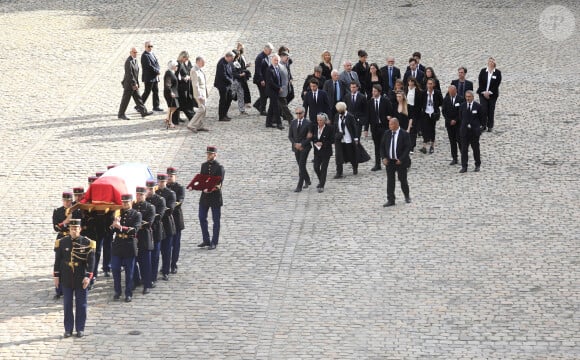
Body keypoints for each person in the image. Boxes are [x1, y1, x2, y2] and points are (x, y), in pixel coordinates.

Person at [53, 219, 95, 338]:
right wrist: (56, 276)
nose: (74, 231)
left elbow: (91, 263)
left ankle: (80, 328)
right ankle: (68, 329)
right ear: (69, 229)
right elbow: (58, 261)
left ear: (80, 229)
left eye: (76, 228)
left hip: (81, 277)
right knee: (67, 304)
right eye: (72, 228)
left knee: (81, 304)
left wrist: (88, 277)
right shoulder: (62, 242)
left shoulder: (87, 243)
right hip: (66, 277)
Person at [111, 194, 142, 302]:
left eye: (127, 202)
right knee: (115, 268)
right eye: (123, 202)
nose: (124, 204)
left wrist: (120, 227)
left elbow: (135, 230)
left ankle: (128, 293)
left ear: (131, 202)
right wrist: (113, 224)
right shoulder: (118, 213)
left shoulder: (136, 214)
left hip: (129, 244)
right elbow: (111, 230)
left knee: (129, 271)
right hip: (118, 244)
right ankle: (117, 291)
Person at [194, 146, 225, 250]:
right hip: (205, 197)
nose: (208, 155)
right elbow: (201, 179)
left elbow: (219, 184)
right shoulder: (203, 166)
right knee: (202, 217)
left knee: (216, 220)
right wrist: (196, 186)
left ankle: (214, 242)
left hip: (215, 196)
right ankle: (206, 239)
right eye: (207, 154)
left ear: (215, 155)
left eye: (210, 154)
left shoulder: (220, 167)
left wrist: (211, 188)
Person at [380, 118, 411, 207]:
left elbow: (407, 148)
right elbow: (382, 147)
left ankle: (407, 196)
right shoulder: (387, 133)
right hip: (390, 161)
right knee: (390, 181)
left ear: (397, 124)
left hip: (400, 161)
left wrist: (401, 159)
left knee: (402, 179)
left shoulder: (404, 134)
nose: (390, 126)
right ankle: (391, 199)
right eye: (389, 124)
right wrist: (384, 158)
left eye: (391, 125)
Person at [118, 47, 152, 120]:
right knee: (125, 99)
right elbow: (129, 74)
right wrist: (134, 84)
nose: (135, 54)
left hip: (134, 84)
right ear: (130, 52)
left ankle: (143, 112)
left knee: (138, 98)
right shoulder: (128, 62)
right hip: (129, 84)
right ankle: (121, 114)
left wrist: (137, 83)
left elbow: (136, 74)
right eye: (134, 52)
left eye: (136, 53)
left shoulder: (135, 61)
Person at [132, 186, 155, 295]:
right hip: (134, 238)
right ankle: (136, 281)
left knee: (145, 263)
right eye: (137, 194)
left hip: (145, 238)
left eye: (141, 194)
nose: (139, 196)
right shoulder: (133, 206)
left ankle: (147, 284)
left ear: (145, 195)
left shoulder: (150, 207)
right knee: (133, 262)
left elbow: (149, 223)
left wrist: (135, 225)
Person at [365, 84, 393, 171]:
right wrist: (366, 129)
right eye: (372, 91)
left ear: (379, 92)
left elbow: (391, 112)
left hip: (384, 127)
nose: (373, 93)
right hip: (375, 127)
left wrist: (390, 118)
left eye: (375, 91)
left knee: (386, 145)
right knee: (377, 146)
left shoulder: (385, 101)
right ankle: (378, 164)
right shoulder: (370, 102)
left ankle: (388, 162)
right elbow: (368, 116)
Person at [52, 191, 73, 299]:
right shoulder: (58, 211)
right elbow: (56, 227)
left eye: (68, 200)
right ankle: (58, 289)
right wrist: (65, 222)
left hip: (72, 238)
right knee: (59, 263)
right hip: (61, 238)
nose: (67, 202)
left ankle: (69, 287)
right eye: (65, 200)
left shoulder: (76, 210)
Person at [156, 173, 176, 281]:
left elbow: (171, 209)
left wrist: (158, 212)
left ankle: (166, 270)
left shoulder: (170, 193)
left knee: (166, 250)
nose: (161, 184)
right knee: (157, 250)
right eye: (159, 182)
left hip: (167, 223)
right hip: (157, 225)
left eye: (162, 182)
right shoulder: (155, 193)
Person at [145, 179, 166, 285]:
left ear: (155, 188)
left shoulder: (160, 200)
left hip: (156, 230)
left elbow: (159, 216)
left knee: (155, 256)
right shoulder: (143, 200)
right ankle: (145, 276)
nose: (149, 191)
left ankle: (153, 277)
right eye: (148, 188)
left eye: (151, 189)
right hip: (145, 233)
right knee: (145, 257)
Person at [288, 106, 312, 192]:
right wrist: (295, 144)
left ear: (303, 113)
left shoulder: (308, 123)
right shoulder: (293, 122)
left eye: (300, 113)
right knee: (300, 165)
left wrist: (302, 144)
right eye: (297, 113)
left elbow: (309, 137)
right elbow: (290, 136)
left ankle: (299, 185)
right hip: (296, 147)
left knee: (301, 165)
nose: (298, 115)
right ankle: (307, 179)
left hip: (305, 147)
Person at [166, 167, 185, 274]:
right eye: (168, 176)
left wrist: (168, 207)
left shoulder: (179, 188)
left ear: (175, 176)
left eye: (171, 176)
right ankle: (166, 264)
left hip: (176, 219)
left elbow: (179, 201)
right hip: (166, 220)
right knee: (166, 245)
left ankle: (173, 264)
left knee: (175, 244)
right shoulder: (163, 188)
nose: (169, 178)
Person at [334, 102, 360, 178]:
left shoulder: (350, 116)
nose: (340, 112)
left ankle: (355, 167)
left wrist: (356, 138)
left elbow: (354, 127)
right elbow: (335, 127)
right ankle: (339, 172)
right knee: (338, 156)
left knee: (351, 154)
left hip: (348, 138)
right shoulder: (336, 116)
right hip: (339, 139)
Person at [459, 91, 482, 173]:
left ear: (472, 97)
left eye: (469, 96)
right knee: (464, 149)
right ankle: (464, 166)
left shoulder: (478, 106)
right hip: (464, 131)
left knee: (475, 149)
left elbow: (482, 118)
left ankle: (477, 165)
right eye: (466, 96)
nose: (468, 98)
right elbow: (460, 117)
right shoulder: (462, 106)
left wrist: (479, 128)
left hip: (474, 132)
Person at [477, 56, 502, 132]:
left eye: (492, 61)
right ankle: (483, 125)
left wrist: (489, 92)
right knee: (483, 109)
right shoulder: (483, 71)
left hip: (493, 95)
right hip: (483, 93)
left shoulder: (497, 72)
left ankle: (490, 126)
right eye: (489, 61)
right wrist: (484, 92)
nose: (490, 62)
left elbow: (497, 84)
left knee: (491, 110)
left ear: (494, 63)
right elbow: (480, 82)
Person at [311, 112, 334, 193]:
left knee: (324, 168)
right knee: (316, 167)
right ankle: (321, 180)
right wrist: (315, 141)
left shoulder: (330, 128)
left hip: (326, 151)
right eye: (318, 120)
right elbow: (312, 137)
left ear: (324, 121)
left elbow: (332, 140)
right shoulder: (314, 127)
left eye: (321, 120)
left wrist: (323, 143)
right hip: (317, 151)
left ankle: (321, 185)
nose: (319, 122)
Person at [419, 78, 443, 154]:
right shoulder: (423, 93)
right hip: (425, 112)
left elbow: (441, 102)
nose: (429, 85)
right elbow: (421, 102)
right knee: (425, 129)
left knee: (432, 129)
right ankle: (424, 146)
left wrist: (436, 109)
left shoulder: (437, 93)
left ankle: (432, 145)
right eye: (428, 84)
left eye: (431, 84)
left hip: (433, 113)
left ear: (434, 85)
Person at [442, 85, 464, 165]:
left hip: (458, 124)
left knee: (460, 141)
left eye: (452, 92)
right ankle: (454, 158)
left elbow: (461, 111)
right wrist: (449, 120)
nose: (451, 93)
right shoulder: (446, 99)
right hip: (449, 124)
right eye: (449, 92)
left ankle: (463, 157)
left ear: (455, 91)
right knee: (452, 142)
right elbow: (444, 111)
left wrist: (455, 120)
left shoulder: (460, 99)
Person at [172, 51, 195, 125]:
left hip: (183, 87)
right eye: (186, 59)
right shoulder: (178, 64)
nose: (186, 60)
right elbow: (176, 77)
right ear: (183, 57)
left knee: (178, 104)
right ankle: (192, 118)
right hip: (180, 88)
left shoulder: (182, 63)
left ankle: (175, 120)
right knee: (184, 105)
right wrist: (184, 78)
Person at [188, 56, 210, 133]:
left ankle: (199, 125)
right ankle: (191, 125)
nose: (204, 63)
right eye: (203, 62)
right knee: (202, 109)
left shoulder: (199, 70)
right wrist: (199, 95)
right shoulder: (194, 70)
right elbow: (195, 84)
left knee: (204, 110)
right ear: (198, 61)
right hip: (199, 94)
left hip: (203, 93)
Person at [141, 41, 163, 112]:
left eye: (151, 46)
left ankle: (156, 106)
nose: (150, 48)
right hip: (149, 77)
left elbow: (156, 63)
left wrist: (158, 69)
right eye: (148, 46)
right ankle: (139, 105)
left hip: (154, 77)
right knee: (147, 92)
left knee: (156, 91)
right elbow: (149, 66)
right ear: (145, 47)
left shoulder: (152, 54)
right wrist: (157, 71)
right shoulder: (144, 55)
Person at [253, 43, 274, 115]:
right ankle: (263, 110)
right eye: (270, 50)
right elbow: (258, 70)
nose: (271, 52)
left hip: (265, 79)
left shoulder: (266, 56)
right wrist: (261, 79)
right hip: (260, 80)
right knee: (264, 94)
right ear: (266, 49)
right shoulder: (260, 57)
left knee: (265, 94)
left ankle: (257, 104)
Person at [265, 54, 284, 129]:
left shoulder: (277, 68)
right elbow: (270, 82)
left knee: (271, 107)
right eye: (275, 60)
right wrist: (278, 88)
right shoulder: (269, 69)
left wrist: (280, 86)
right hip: (271, 91)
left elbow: (279, 79)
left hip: (275, 90)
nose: (276, 62)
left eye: (277, 60)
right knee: (276, 107)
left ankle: (268, 122)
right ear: (272, 60)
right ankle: (279, 123)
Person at [214, 51, 234, 122]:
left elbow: (230, 72)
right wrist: (231, 80)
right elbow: (223, 75)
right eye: (231, 58)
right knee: (223, 100)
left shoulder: (228, 62)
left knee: (230, 98)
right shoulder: (221, 63)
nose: (232, 60)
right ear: (228, 57)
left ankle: (225, 114)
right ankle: (221, 116)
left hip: (227, 84)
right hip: (222, 85)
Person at [406, 77, 424, 153]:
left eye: (412, 81)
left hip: (414, 110)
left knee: (413, 129)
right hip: (406, 110)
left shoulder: (418, 91)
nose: (410, 83)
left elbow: (420, 103)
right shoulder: (405, 89)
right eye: (409, 81)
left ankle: (412, 146)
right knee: (406, 127)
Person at [231, 50, 250, 116]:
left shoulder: (236, 62)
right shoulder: (231, 63)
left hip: (239, 81)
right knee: (230, 95)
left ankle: (242, 110)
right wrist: (240, 75)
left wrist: (244, 71)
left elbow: (239, 69)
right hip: (234, 81)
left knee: (241, 95)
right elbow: (233, 73)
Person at [278, 51, 294, 123]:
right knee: (283, 105)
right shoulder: (279, 65)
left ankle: (273, 119)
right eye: (286, 57)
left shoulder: (285, 64)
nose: (288, 58)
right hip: (280, 89)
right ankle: (291, 119)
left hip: (286, 88)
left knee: (279, 105)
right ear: (281, 57)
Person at [163, 60, 179, 129]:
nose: (177, 67)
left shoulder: (171, 72)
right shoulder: (169, 73)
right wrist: (171, 92)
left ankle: (168, 119)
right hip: (169, 93)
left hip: (173, 92)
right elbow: (167, 84)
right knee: (172, 106)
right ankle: (169, 122)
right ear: (173, 66)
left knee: (173, 107)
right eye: (176, 66)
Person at [235, 42, 252, 108]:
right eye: (242, 48)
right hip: (240, 75)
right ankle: (246, 102)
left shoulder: (242, 56)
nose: (243, 49)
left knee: (244, 88)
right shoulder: (237, 56)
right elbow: (238, 65)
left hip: (243, 74)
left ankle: (246, 101)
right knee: (244, 88)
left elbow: (243, 65)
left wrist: (247, 65)